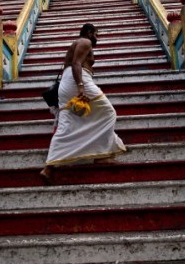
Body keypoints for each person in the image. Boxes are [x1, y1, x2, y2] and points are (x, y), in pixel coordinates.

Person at [40, 23, 126, 184]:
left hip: (67, 83)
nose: (97, 38)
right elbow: (76, 64)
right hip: (78, 81)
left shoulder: (78, 43)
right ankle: (102, 157)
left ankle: (49, 167)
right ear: (89, 32)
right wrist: (81, 86)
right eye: (96, 34)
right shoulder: (85, 42)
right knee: (108, 113)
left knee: (67, 122)